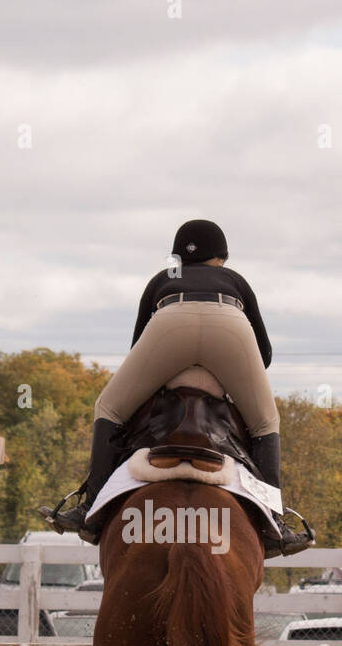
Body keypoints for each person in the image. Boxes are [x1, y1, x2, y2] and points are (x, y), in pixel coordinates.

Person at [39, 219, 313, 557]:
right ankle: (275, 525)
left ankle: (89, 510)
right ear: (221, 258)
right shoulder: (236, 281)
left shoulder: (162, 279)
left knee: (108, 409)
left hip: (170, 322)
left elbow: (137, 346)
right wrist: (221, 368)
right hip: (230, 326)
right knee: (265, 424)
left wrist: (176, 362)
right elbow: (265, 355)